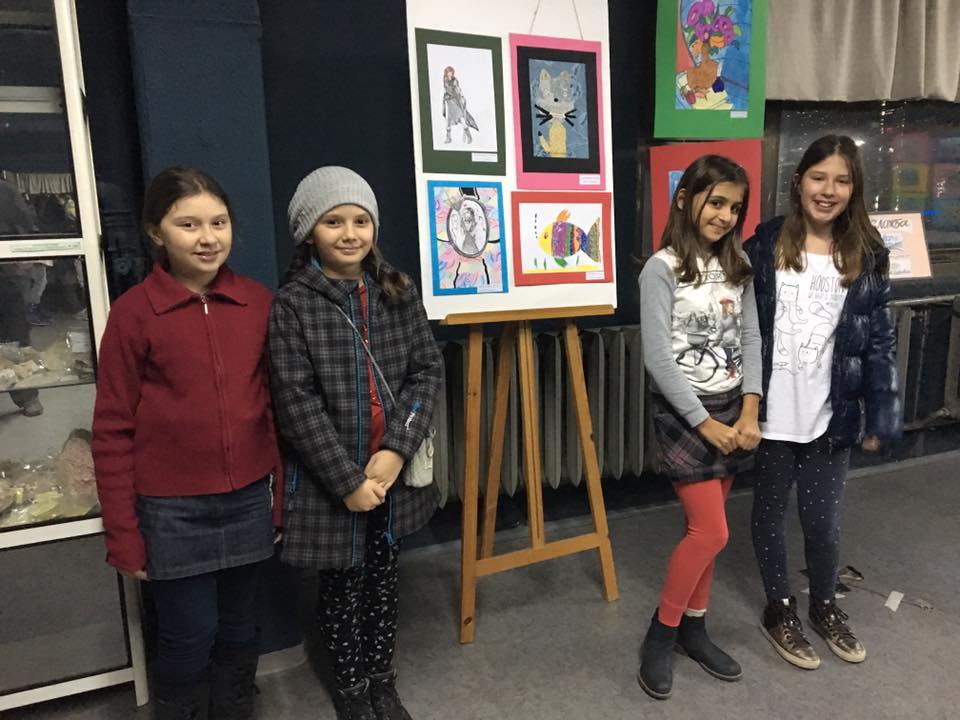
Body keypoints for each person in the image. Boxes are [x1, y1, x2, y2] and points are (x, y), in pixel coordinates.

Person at [92, 167, 281, 719]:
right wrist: (123, 535)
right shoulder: (133, 314)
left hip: (248, 499)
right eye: (188, 224)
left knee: (241, 625)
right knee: (187, 634)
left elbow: (275, 411)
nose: (207, 238)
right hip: (171, 511)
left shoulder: (256, 303)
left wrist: (279, 501)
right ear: (156, 231)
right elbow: (112, 429)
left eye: (218, 223)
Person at [269, 166, 442, 720]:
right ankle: (350, 690)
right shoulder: (293, 305)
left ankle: (382, 681)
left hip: (389, 474)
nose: (349, 233)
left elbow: (426, 371)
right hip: (334, 482)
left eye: (360, 220)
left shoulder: (398, 291)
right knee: (341, 586)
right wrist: (347, 481)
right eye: (333, 221)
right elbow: (296, 403)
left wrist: (396, 450)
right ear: (309, 232)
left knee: (385, 579)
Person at [744, 134, 900, 669]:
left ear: (854, 189)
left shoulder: (867, 255)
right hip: (772, 413)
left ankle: (824, 605)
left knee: (823, 524)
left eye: (841, 180)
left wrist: (883, 414)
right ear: (798, 182)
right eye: (818, 177)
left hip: (831, 414)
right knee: (768, 513)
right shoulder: (765, 244)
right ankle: (779, 608)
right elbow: (739, 325)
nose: (828, 190)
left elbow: (879, 342)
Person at [637, 155, 762, 700]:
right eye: (716, 203)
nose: (725, 216)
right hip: (687, 413)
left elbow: (751, 338)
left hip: (733, 407)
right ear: (686, 199)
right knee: (710, 532)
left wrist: (751, 409)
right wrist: (704, 423)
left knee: (706, 533)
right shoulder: (661, 268)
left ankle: (694, 627)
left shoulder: (738, 264)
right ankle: (660, 634)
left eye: (735, 207)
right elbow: (658, 358)